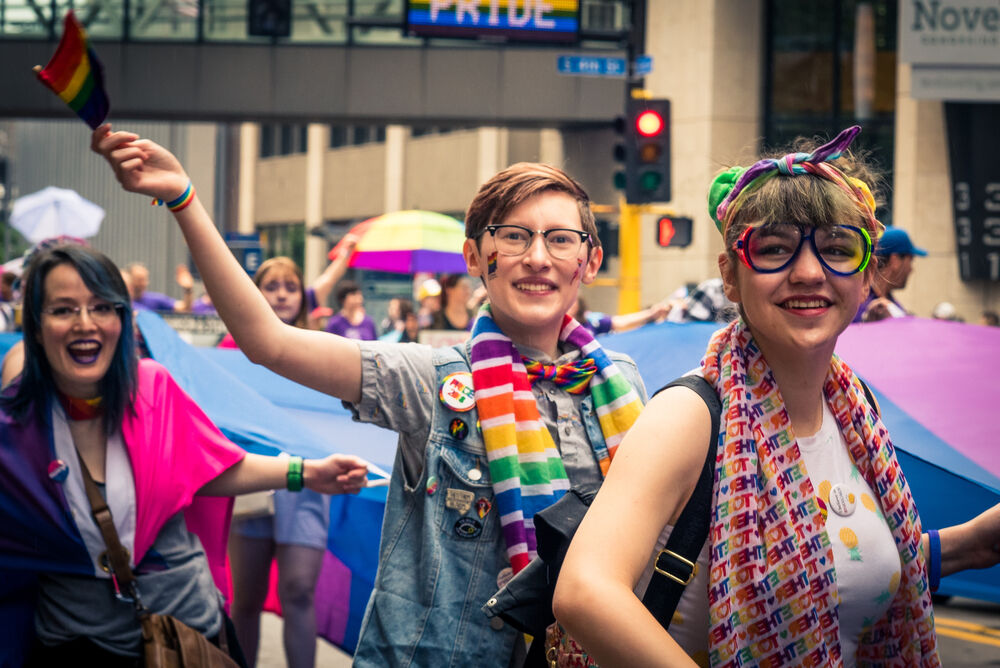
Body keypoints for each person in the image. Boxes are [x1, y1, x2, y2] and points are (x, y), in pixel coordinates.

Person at [92, 124, 648, 667]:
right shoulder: (434, 381)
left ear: (589, 262)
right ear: (476, 259)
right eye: (514, 235)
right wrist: (185, 199)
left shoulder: (623, 389)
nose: (537, 257)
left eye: (559, 238)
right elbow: (269, 343)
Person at [553, 126, 1000, 667]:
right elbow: (585, 590)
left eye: (838, 248)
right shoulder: (690, 416)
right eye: (775, 249)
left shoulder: (857, 410)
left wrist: (971, 544)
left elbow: (833, 568)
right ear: (731, 277)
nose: (809, 272)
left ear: (865, 279)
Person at [0, 241, 368, 667]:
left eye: (101, 307)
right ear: (37, 326)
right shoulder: (15, 429)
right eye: (63, 310)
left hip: (185, 634)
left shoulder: (153, 388)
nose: (86, 323)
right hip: (74, 645)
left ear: (123, 317)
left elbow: (208, 465)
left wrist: (305, 473)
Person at [216, 253, 345, 668]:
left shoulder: (322, 346)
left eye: (290, 287)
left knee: (299, 590)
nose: (282, 295)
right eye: (271, 287)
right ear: (255, 293)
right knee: (246, 598)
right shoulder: (230, 348)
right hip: (250, 477)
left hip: (310, 481)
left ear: (302, 299)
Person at [854, 226, 926, 322]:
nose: (911, 269)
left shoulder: (893, 305)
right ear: (895, 260)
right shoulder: (857, 306)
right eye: (910, 260)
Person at [569, 296, 671, 336]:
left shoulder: (591, 320)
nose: (568, 305)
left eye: (572, 301)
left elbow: (620, 322)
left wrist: (651, 313)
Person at [124, 261, 194, 312]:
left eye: (145, 279)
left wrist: (188, 289)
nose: (143, 284)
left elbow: (185, 308)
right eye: (139, 280)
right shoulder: (121, 302)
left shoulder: (156, 300)